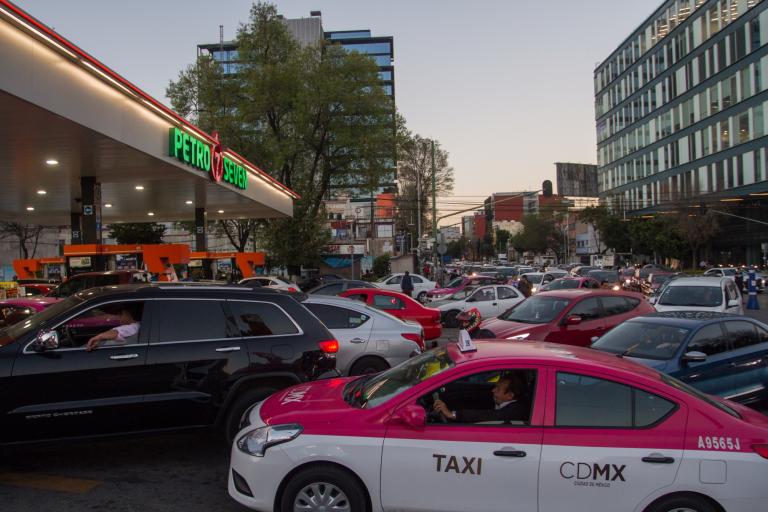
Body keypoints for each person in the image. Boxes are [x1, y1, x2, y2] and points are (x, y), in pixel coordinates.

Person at [432, 374, 529, 423]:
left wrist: (452, 414)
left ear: (509, 396)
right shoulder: (501, 401)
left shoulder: (515, 412)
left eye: (498, 389)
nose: (493, 391)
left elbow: (487, 415)